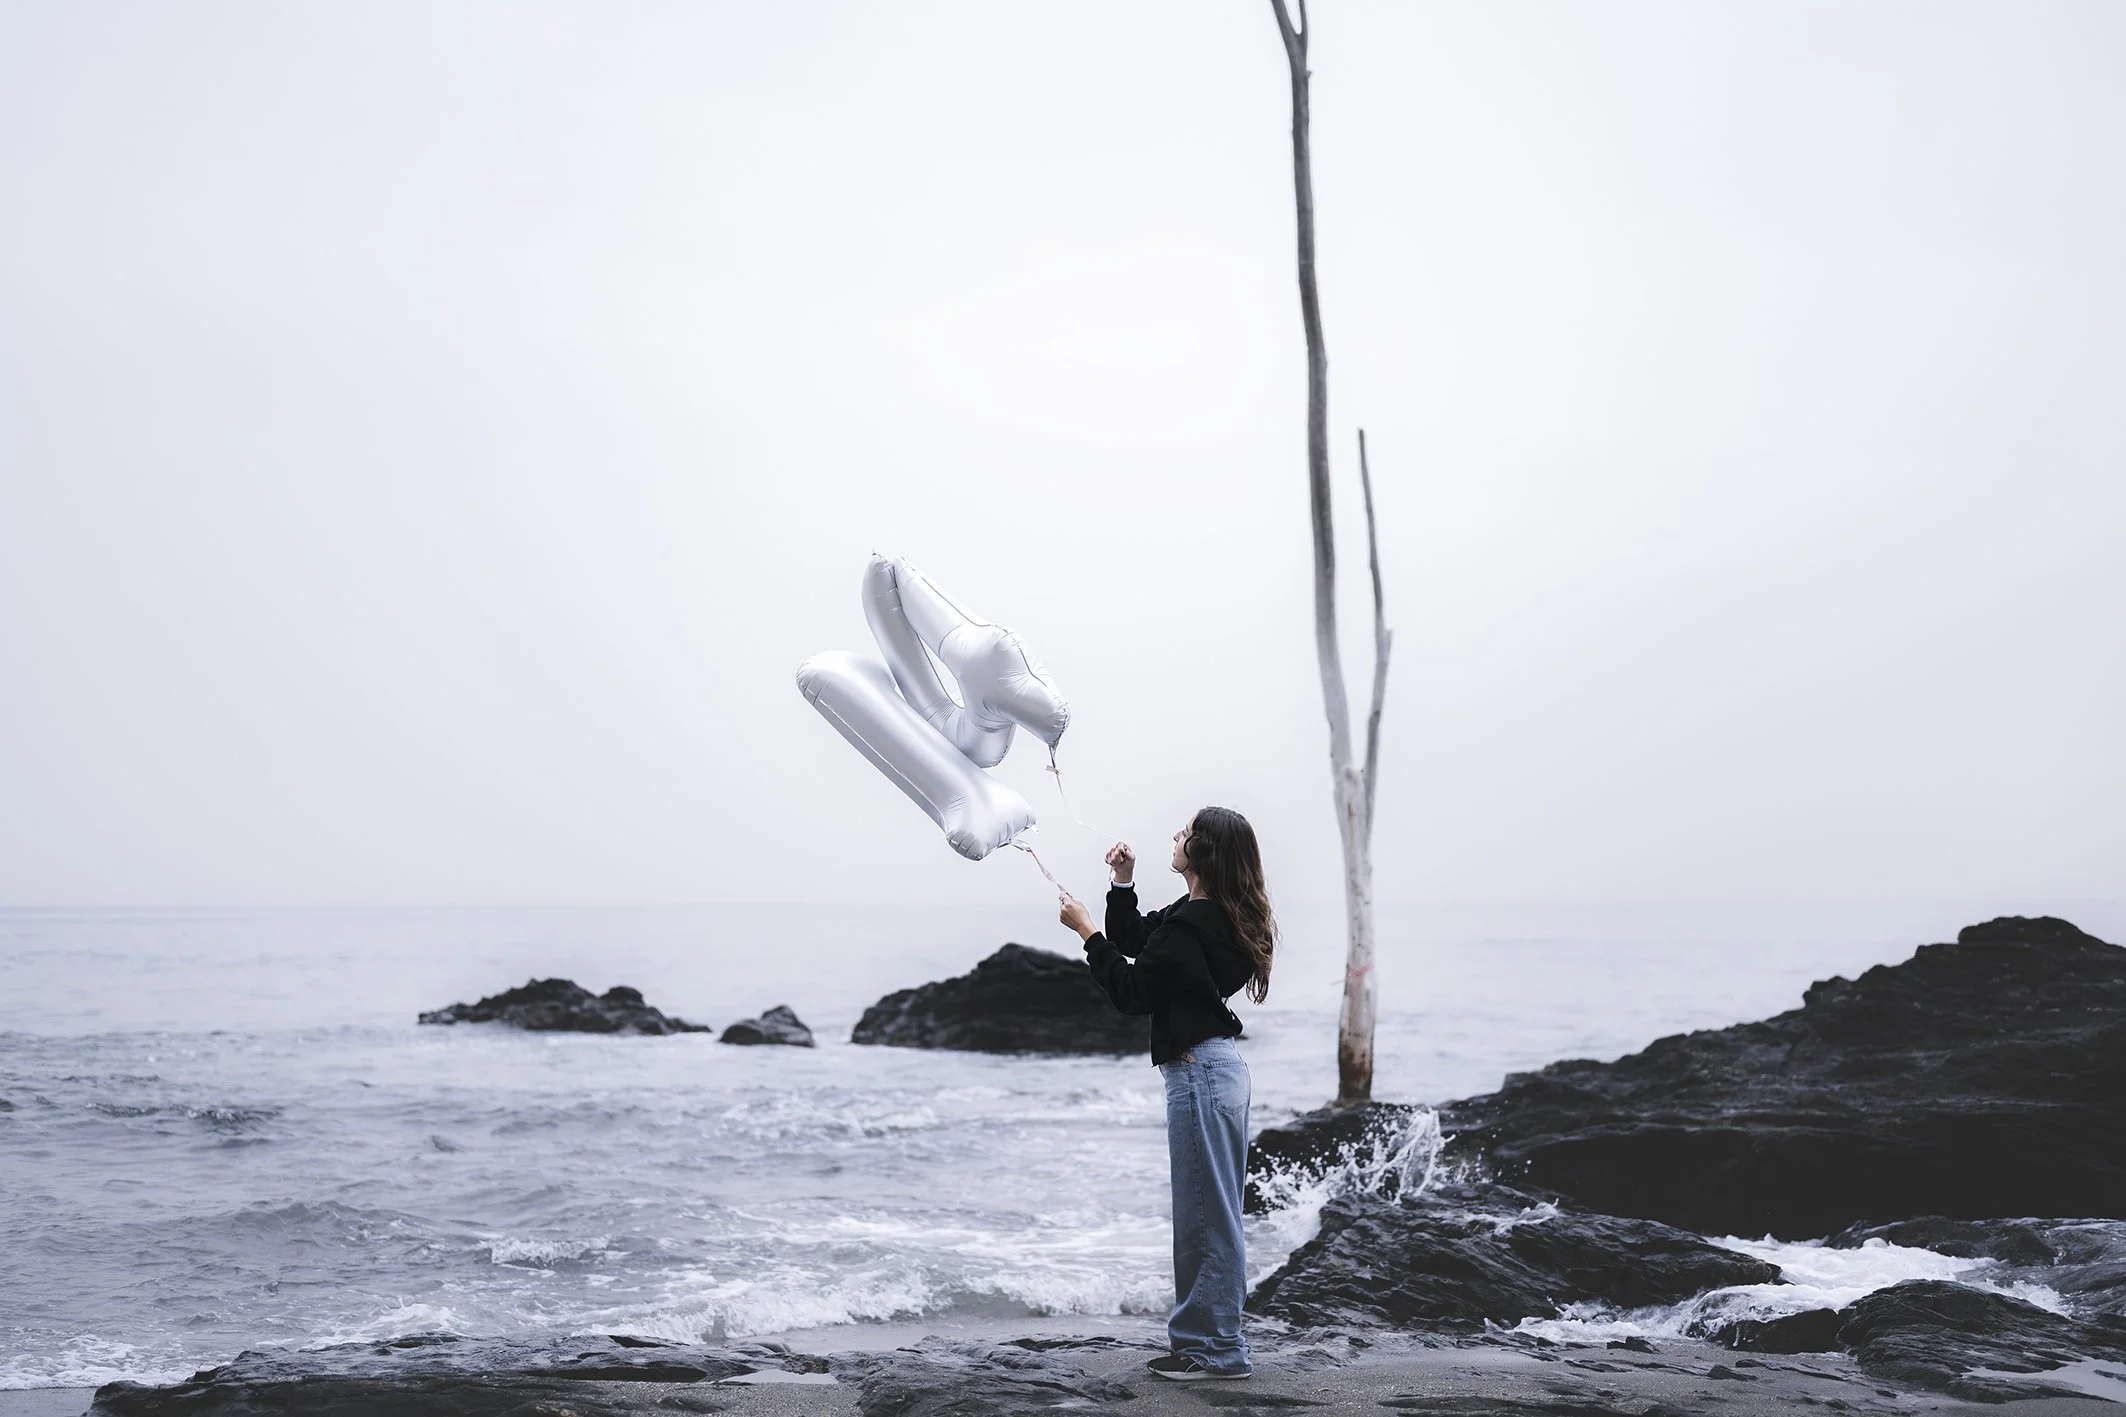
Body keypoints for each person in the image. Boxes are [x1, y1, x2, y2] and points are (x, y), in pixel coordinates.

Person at [1057, 806, 1276, 1382]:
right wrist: (1122, 885)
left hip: (1199, 1071)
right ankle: (1212, 1342)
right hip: (1215, 1068)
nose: (1176, 837)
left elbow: (1132, 989)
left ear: (1203, 851)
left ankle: (1215, 1350)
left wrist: (1086, 934)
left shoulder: (1191, 926)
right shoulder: (1206, 915)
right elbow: (1140, 939)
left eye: (1186, 832)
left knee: (1205, 1216)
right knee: (1214, 1212)